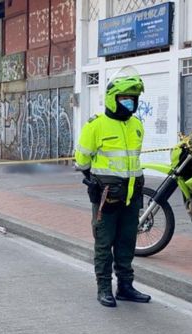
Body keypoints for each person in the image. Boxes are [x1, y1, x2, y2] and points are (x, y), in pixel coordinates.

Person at [75, 70, 150, 308]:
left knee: (127, 243)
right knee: (104, 244)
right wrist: (96, 182)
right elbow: (82, 161)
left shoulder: (136, 124)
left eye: (134, 98)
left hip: (132, 197)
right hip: (107, 197)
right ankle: (104, 288)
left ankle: (125, 287)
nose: (131, 102)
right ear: (112, 98)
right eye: (125, 98)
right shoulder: (96, 125)